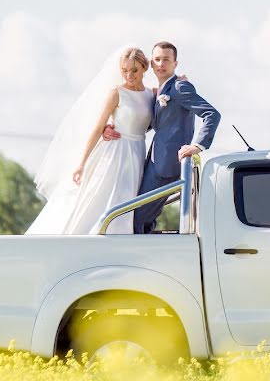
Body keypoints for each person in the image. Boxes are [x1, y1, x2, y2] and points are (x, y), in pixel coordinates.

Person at [26, 47, 154, 235]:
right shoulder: (116, 93)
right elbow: (97, 127)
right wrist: (82, 163)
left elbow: (146, 122)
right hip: (115, 152)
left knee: (128, 199)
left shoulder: (151, 94)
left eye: (134, 70)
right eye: (125, 70)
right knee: (104, 198)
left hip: (137, 151)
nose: (129, 75)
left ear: (144, 68)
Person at [103, 41, 220, 234]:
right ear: (151, 63)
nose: (161, 64)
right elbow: (157, 122)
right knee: (142, 217)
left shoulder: (180, 87)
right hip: (153, 160)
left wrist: (197, 146)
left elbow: (212, 115)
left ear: (175, 63)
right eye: (157, 59)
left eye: (166, 59)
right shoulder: (162, 90)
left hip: (168, 164)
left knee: (137, 216)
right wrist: (112, 128)